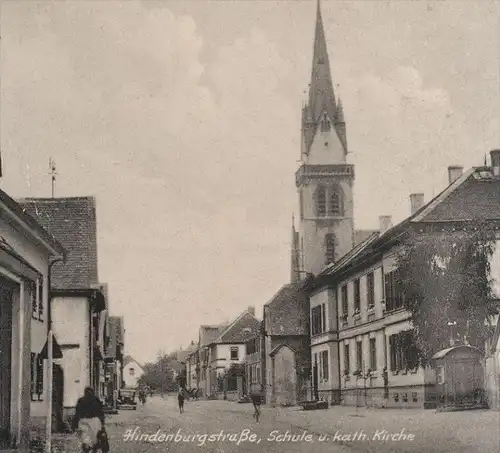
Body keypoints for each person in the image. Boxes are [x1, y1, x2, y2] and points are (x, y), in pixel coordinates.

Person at [72, 387, 105, 453]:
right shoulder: (96, 400)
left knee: (85, 439)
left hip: (83, 421)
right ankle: (93, 449)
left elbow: (77, 413)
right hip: (94, 422)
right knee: (94, 440)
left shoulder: (81, 400)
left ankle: (86, 449)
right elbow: (100, 412)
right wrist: (102, 423)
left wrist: (74, 424)